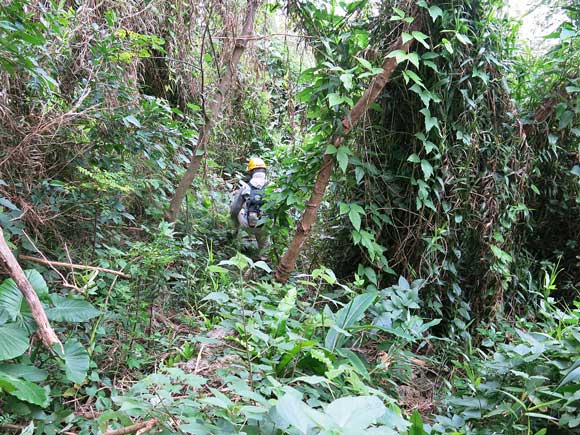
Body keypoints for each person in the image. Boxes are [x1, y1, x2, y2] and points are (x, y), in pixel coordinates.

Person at [229, 157, 270, 252]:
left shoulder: (245, 187)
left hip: (249, 224)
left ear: (251, 172)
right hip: (265, 227)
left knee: (239, 208)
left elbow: (234, 210)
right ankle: (263, 257)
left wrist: (236, 225)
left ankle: (245, 237)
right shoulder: (273, 186)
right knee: (264, 246)